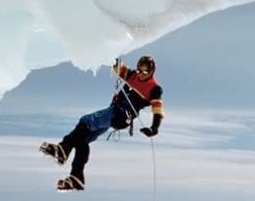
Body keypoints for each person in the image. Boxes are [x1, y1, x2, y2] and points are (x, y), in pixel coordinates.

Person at [40, 55, 165, 191]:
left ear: (152, 72)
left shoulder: (154, 89)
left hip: (121, 115)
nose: (140, 74)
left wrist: (154, 128)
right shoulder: (132, 76)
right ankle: (77, 177)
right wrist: (111, 50)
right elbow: (115, 64)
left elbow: (157, 110)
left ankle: (63, 149)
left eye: (145, 72)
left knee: (86, 121)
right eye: (139, 70)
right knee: (83, 138)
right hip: (114, 111)